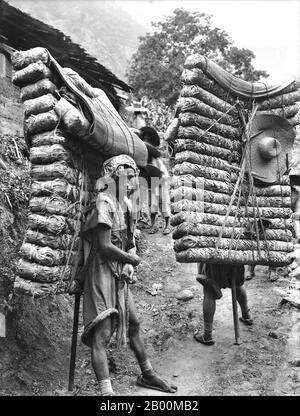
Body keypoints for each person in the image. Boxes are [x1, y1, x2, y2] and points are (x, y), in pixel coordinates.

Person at [81, 154, 177, 395]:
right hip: (101, 272)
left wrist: (130, 259)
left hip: (119, 273)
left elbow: (129, 240)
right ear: (113, 179)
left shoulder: (125, 203)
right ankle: (107, 394)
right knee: (102, 335)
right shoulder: (104, 202)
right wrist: (130, 259)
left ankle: (148, 374)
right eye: (127, 177)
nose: (132, 182)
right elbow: (104, 246)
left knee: (133, 323)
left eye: (134, 177)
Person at [194, 263, 253, 345]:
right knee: (237, 284)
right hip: (235, 257)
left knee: (209, 291)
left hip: (215, 262)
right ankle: (246, 315)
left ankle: (207, 335)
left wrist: (200, 272)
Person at [139, 126, 172, 235]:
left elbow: (152, 151)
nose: (146, 138)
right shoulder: (145, 150)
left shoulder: (152, 151)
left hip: (162, 176)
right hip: (152, 177)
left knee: (163, 201)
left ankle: (168, 225)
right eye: (145, 136)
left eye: (148, 137)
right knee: (152, 203)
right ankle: (153, 225)